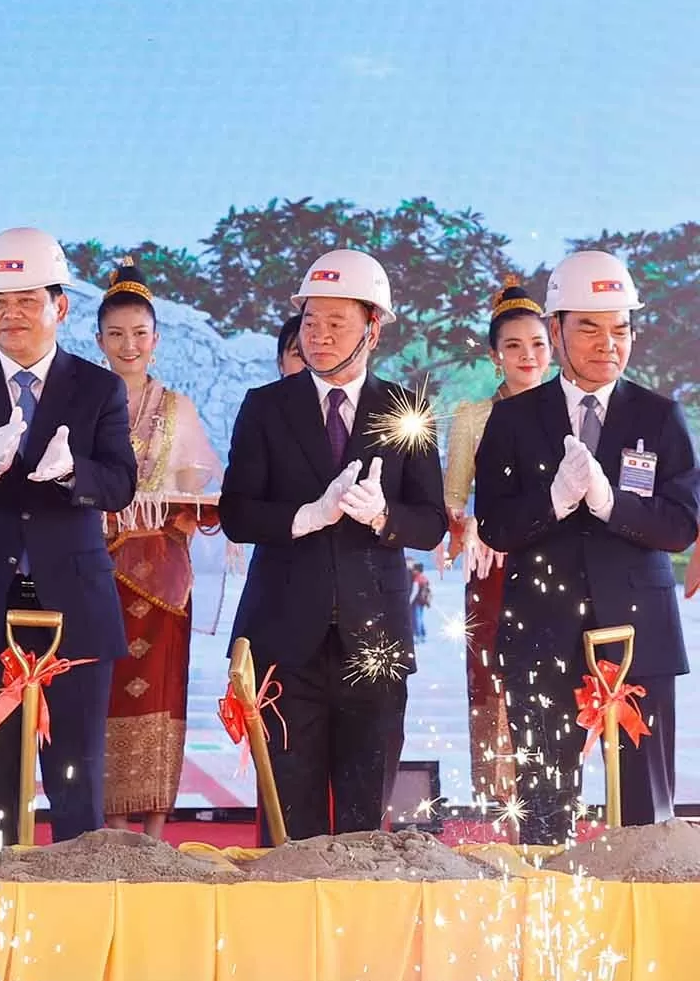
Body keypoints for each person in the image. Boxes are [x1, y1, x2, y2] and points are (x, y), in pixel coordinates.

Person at [0, 229, 138, 845]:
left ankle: (78, 919)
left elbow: (120, 483)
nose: (10, 315)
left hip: (75, 605)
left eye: (26, 300)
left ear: (59, 307)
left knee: (76, 778)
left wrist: (73, 473)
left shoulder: (98, 388)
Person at [219, 249, 446, 841]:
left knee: (364, 817)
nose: (317, 336)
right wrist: (305, 517)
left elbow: (430, 522)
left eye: (335, 323)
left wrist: (384, 518)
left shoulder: (407, 408)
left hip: (375, 638)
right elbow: (237, 513)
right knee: (286, 817)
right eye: (309, 322)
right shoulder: (265, 407)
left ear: (372, 327)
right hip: (283, 639)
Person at [476, 250, 696, 845]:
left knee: (646, 816)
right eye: (590, 328)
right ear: (556, 330)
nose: (608, 344)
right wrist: (551, 500)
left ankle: (645, 924)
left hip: (637, 637)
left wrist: (609, 504)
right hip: (542, 635)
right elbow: (494, 526)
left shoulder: (660, 415)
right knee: (544, 808)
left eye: (620, 329)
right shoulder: (516, 420)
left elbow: (680, 526)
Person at [94, 261, 221, 840]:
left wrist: (180, 506)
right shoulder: (82, 405)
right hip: (97, 572)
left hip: (166, 575)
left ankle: (156, 826)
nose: (129, 345)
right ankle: (114, 821)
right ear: (98, 340)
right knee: (104, 690)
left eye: (140, 334)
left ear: (156, 340)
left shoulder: (180, 409)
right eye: (117, 334)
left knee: (163, 689)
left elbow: (203, 483)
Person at [440, 280, 551, 809]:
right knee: (493, 688)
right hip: (495, 570)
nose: (527, 356)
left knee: (561, 686)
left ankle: (559, 812)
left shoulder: (571, 411)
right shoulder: (472, 417)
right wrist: (461, 528)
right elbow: (454, 500)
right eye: (513, 346)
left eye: (537, 344)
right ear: (494, 356)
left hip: (563, 568)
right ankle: (505, 817)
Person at [409, 562, 432, 639]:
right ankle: (423, 634)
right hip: (423, 601)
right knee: (420, 618)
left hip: (417, 601)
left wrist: (409, 602)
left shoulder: (417, 578)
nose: (413, 571)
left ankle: (418, 635)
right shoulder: (424, 577)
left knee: (416, 619)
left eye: (414, 570)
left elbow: (415, 592)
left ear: (417, 570)